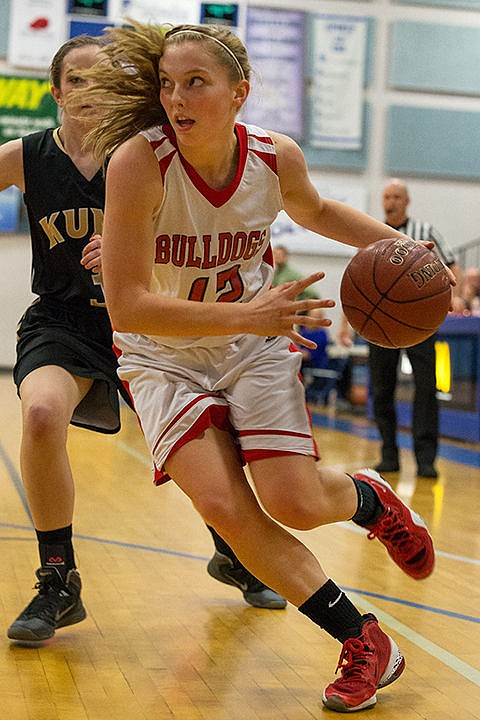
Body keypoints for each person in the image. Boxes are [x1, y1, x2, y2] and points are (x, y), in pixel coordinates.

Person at [76, 20, 441, 712]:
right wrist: (249, 313)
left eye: (195, 83)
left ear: (239, 93)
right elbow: (127, 308)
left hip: (253, 347)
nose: (175, 98)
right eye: (167, 84)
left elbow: (321, 210)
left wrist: (415, 255)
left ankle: (369, 499)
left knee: (295, 502)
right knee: (222, 505)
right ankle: (364, 639)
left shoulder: (274, 159)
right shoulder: (138, 163)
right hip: (164, 355)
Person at [1, 35, 284, 644]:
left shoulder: (152, 153)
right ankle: (58, 580)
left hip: (153, 331)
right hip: (66, 323)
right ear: (54, 91)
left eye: (99, 81)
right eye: (73, 80)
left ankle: (232, 553)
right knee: (43, 413)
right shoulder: (26, 156)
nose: (86, 92)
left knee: (199, 455)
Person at [369, 178, 461, 478]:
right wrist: (348, 324)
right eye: (386, 196)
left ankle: (425, 458)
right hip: (380, 321)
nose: (391, 201)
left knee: (425, 388)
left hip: (420, 321)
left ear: (406, 201)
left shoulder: (425, 232)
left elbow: (452, 265)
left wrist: (454, 298)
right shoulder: (371, 232)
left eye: (396, 196)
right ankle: (388, 453)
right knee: (382, 389)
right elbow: (358, 281)